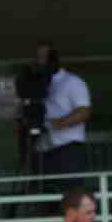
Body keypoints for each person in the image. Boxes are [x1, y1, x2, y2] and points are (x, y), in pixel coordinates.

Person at [31, 43, 92, 180]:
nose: (40, 61)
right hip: (46, 150)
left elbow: (84, 112)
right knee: (48, 196)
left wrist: (55, 124)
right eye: (38, 57)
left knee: (70, 195)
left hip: (68, 151)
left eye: (44, 57)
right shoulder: (43, 84)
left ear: (54, 59)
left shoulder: (72, 82)